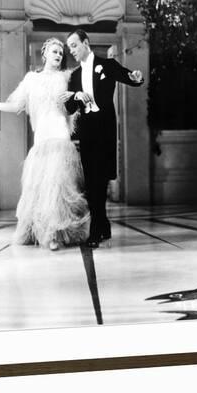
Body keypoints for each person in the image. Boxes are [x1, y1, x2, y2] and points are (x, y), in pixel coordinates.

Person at [0, 38, 89, 251]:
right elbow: (17, 105)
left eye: (61, 53)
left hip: (60, 137)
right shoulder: (31, 79)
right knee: (39, 189)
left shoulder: (67, 77)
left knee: (57, 187)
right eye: (54, 51)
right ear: (44, 53)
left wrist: (76, 95)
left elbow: (80, 96)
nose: (58, 56)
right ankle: (37, 231)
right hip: (42, 139)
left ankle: (54, 235)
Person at [65, 29, 144, 248]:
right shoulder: (74, 76)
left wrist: (137, 77)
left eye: (74, 45)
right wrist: (75, 96)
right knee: (92, 182)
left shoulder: (107, 65)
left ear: (86, 43)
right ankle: (102, 227)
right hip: (88, 132)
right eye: (69, 47)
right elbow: (70, 108)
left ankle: (98, 230)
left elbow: (130, 78)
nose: (71, 50)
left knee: (100, 181)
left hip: (106, 130)